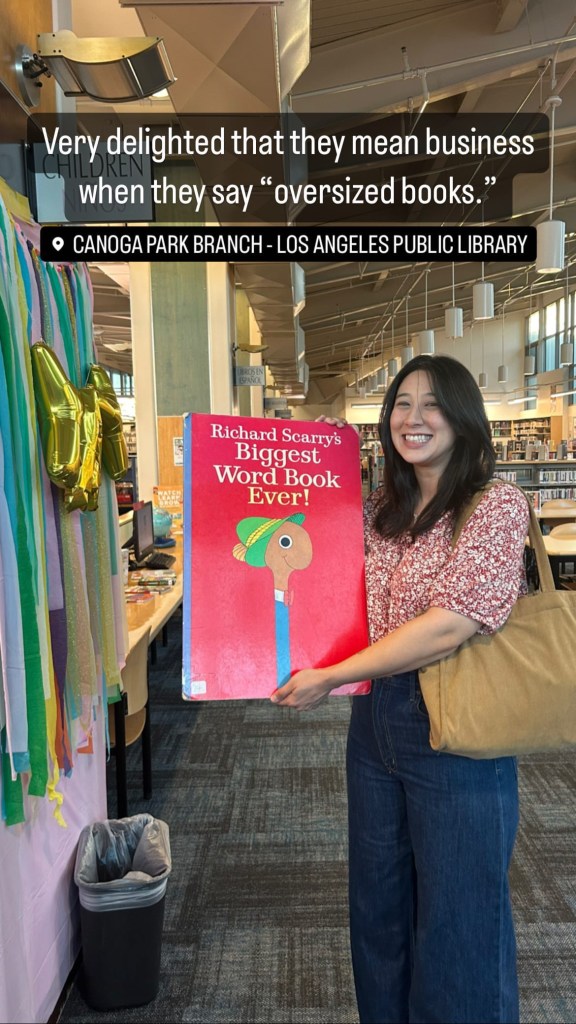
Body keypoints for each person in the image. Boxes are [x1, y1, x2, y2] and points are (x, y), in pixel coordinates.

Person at [270, 354, 529, 1024]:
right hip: (376, 721)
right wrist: (308, 458)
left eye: (432, 403)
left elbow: (450, 625)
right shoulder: (382, 510)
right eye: (401, 404)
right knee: (378, 909)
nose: (413, 418)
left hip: (458, 722)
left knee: (459, 920)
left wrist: (332, 675)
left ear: (463, 416)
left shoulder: (495, 505)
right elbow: (311, 557)